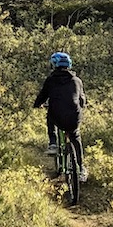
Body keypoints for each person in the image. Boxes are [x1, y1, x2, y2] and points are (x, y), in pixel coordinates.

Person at [34, 51, 87, 182]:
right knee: (75, 137)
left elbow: (42, 96)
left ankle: (53, 143)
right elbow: (82, 100)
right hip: (74, 118)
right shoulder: (77, 81)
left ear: (54, 65)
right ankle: (80, 168)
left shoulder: (51, 80)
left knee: (50, 113)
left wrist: (37, 105)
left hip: (57, 117)